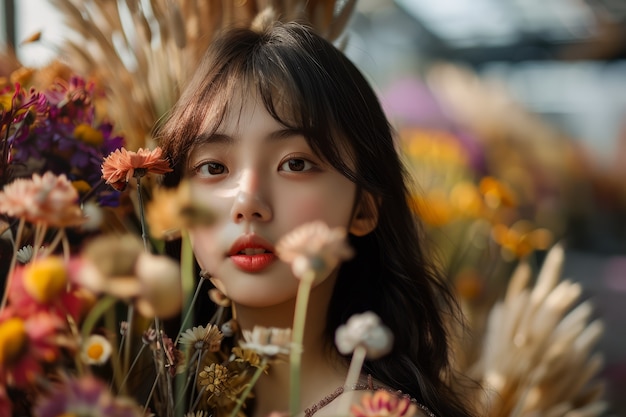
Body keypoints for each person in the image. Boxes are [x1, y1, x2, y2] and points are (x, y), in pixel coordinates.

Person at [156, 17, 477, 417]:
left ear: (364, 208)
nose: (248, 201)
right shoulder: (169, 393)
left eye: (295, 163)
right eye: (213, 167)